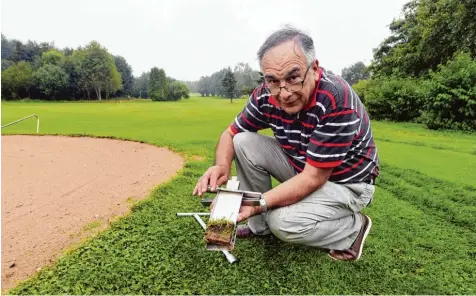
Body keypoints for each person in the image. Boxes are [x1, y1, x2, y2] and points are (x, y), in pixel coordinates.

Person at [193, 26, 379, 261]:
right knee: (242, 140)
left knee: (281, 222)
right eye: (273, 80)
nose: (284, 93)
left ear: (314, 69)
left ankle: (353, 229)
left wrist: (259, 203)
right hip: (304, 165)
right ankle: (258, 227)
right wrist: (221, 167)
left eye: (293, 77)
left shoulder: (336, 99)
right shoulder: (265, 95)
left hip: (347, 182)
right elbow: (229, 134)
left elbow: (314, 178)